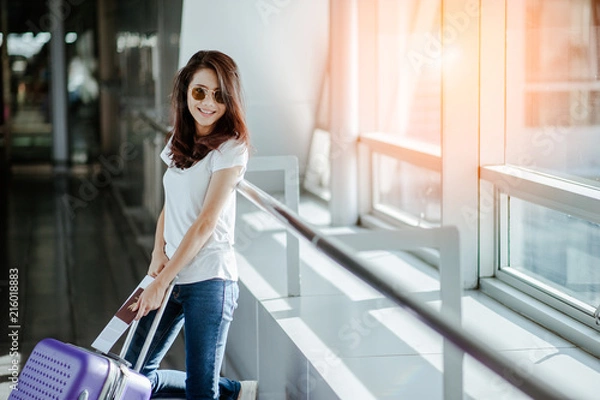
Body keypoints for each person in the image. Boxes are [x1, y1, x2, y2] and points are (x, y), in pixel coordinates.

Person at [125, 50, 257, 400]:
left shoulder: (231, 148)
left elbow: (205, 223)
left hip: (209, 280)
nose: (208, 103)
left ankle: (219, 390)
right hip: (171, 272)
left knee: (201, 392)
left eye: (219, 95)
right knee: (132, 375)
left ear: (230, 100)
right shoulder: (179, 140)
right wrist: (157, 254)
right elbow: (171, 205)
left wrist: (161, 282)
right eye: (200, 92)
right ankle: (230, 391)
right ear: (186, 92)